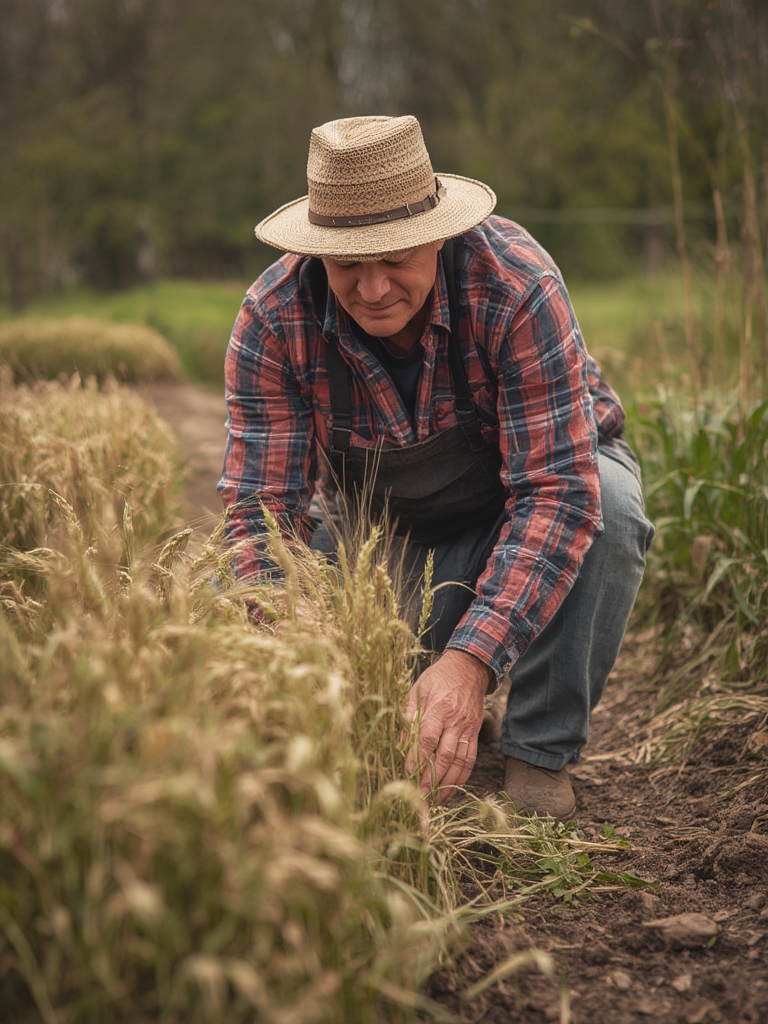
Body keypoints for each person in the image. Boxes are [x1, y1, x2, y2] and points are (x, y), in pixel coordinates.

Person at [218, 114, 654, 820]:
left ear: (439, 234)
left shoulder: (514, 284)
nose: (373, 288)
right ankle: (419, 707)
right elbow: (261, 515)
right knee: (241, 588)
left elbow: (558, 495)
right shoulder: (273, 318)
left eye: (395, 257)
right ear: (315, 253)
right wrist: (294, 654)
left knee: (610, 503)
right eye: (348, 265)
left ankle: (537, 749)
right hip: (387, 530)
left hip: (528, 502)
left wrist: (470, 662)